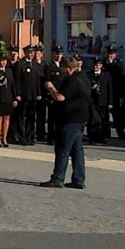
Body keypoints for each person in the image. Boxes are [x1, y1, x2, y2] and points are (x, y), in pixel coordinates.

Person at [40, 56, 90, 189]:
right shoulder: (83, 77)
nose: (61, 71)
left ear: (68, 69)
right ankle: (79, 179)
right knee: (77, 150)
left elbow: (60, 97)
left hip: (70, 119)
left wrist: (51, 88)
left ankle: (58, 178)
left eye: (63, 68)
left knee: (63, 149)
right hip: (81, 118)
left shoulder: (73, 81)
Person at [13, 45, 43, 145]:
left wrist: (38, 93)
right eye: (30, 53)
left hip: (33, 94)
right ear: (25, 53)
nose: (32, 55)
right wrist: (18, 94)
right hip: (23, 94)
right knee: (21, 116)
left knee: (31, 116)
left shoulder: (35, 64)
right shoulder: (20, 64)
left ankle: (30, 136)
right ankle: (21, 136)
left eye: (33, 53)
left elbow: (37, 81)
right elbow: (17, 80)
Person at [0, 52, 17, 148]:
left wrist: (15, 97)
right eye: (1, 61)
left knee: (7, 118)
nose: (3, 63)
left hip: (8, 97)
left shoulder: (9, 71)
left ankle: (4, 138)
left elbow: (12, 85)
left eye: (5, 61)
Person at [42, 45, 65, 145]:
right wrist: (52, 94)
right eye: (57, 54)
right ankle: (50, 137)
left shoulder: (63, 66)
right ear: (53, 54)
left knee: (61, 118)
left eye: (60, 54)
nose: (58, 56)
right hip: (52, 95)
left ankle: (58, 136)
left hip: (62, 95)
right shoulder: (49, 66)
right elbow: (47, 81)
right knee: (52, 118)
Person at [86, 58, 113, 144]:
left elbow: (110, 89)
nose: (96, 66)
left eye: (98, 65)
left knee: (103, 120)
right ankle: (91, 137)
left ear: (101, 66)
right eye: (94, 64)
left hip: (103, 101)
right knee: (92, 119)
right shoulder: (89, 75)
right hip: (92, 101)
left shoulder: (106, 75)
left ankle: (101, 137)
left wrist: (110, 102)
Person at [102, 47, 125, 141]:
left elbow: (122, 80)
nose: (110, 55)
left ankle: (121, 134)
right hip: (105, 92)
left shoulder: (118, 64)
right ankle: (106, 133)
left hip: (115, 92)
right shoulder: (103, 63)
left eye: (112, 53)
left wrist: (122, 94)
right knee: (104, 115)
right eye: (109, 53)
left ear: (115, 55)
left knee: (117, 115)